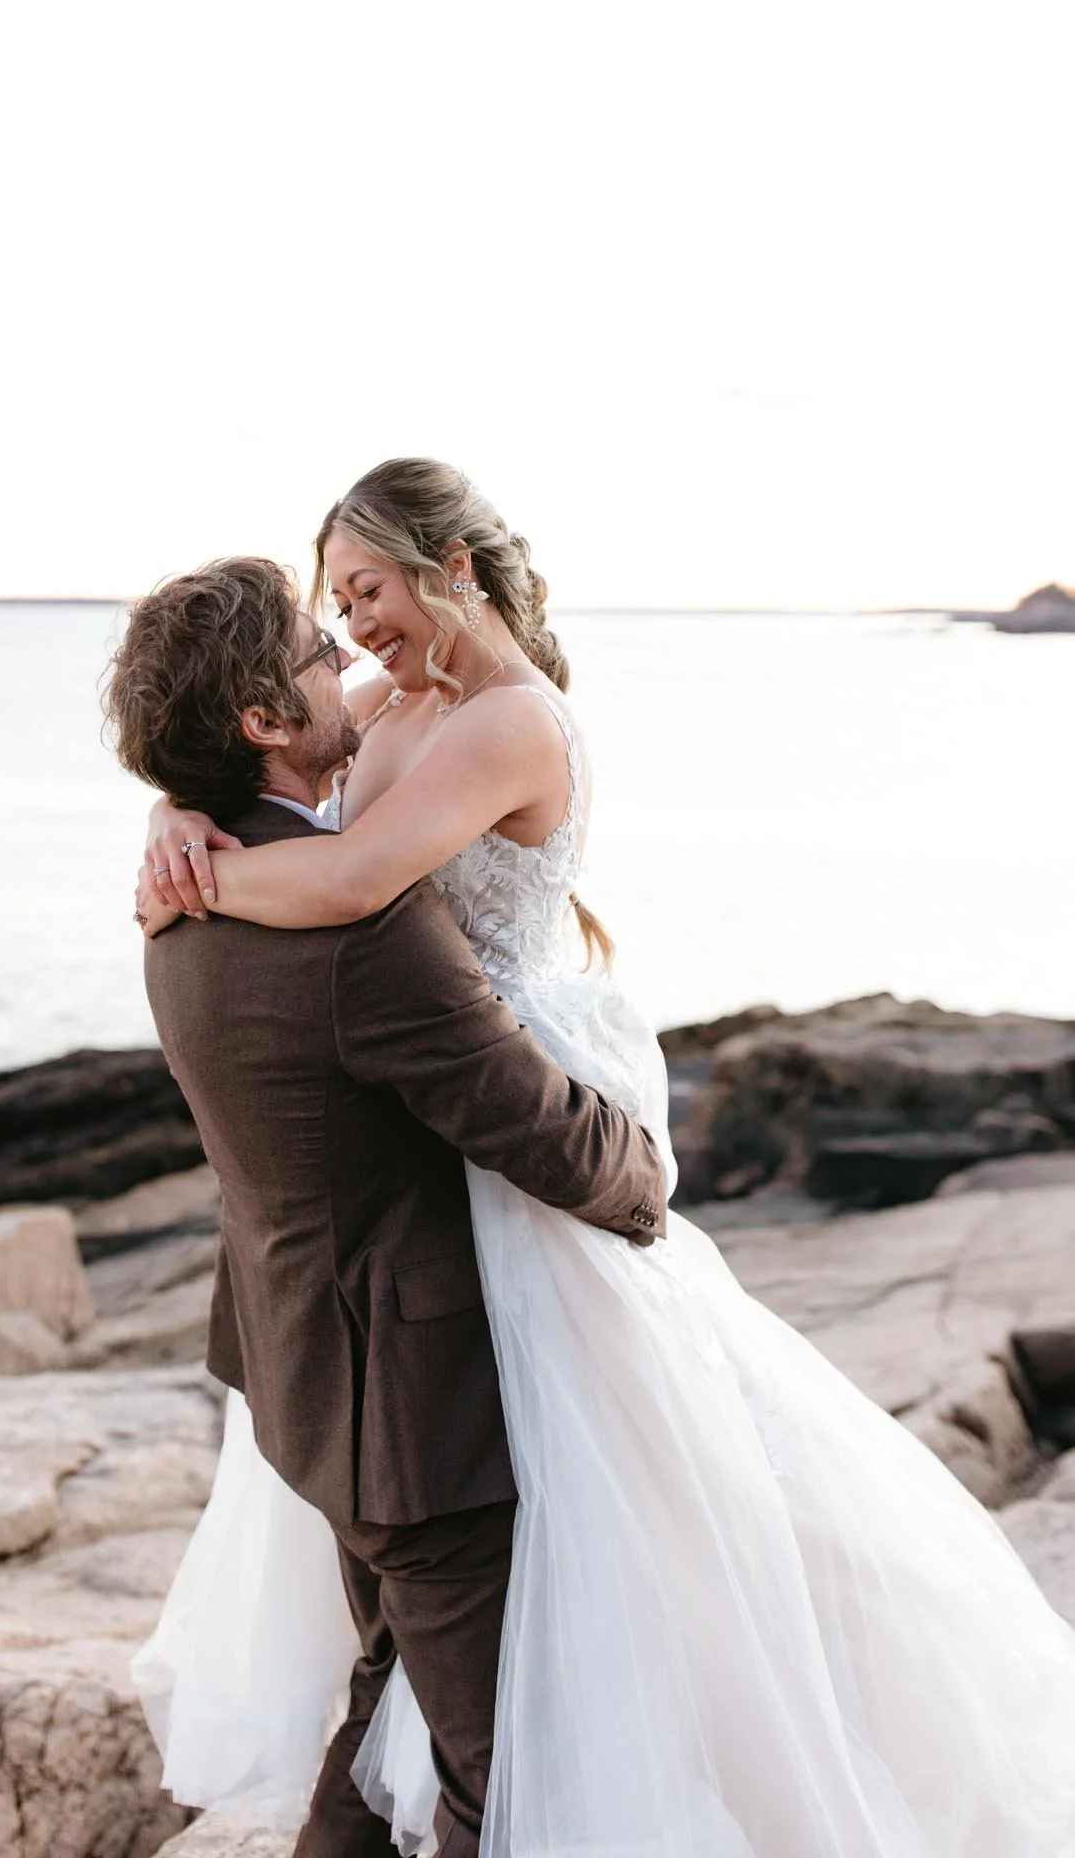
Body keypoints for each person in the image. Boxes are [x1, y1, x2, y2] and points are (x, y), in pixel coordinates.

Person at [125, 461, 1075, 1858]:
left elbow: (329, 865)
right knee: (493, 1729)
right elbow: (354, 906)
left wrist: (184, 847)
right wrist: (177, 814)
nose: (348, 638)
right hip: (432, 1286)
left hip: (359, 1297)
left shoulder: (477, 738)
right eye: (328, 617)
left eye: (363, 596)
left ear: (450, 569)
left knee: (489, 1636)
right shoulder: (373, 808)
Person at [104, 553, 668, 1858]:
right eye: (315, 655)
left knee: (384, 1701)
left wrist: (158, 814)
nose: (344, 662)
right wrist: (648, 1190)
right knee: (491, 1766)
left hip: (303, 1366)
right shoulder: (359, 924)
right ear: (261, 721)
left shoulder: (182, 894)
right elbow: (518, 1115)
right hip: (413, 1408)